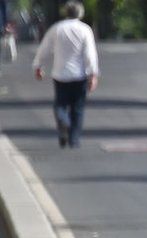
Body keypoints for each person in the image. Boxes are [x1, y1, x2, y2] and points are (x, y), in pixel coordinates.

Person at [31, 0, 98, 148]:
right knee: (77, 108)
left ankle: (63, 122)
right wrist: (93, 74)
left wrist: (38, 66)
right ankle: (74, 140)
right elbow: (90, 54)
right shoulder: (85, 29)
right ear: (80, 13)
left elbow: (44, 48)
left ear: (66, 12)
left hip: (60, 74)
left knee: (60, 105)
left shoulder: (57, 28)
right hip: (79, 75)